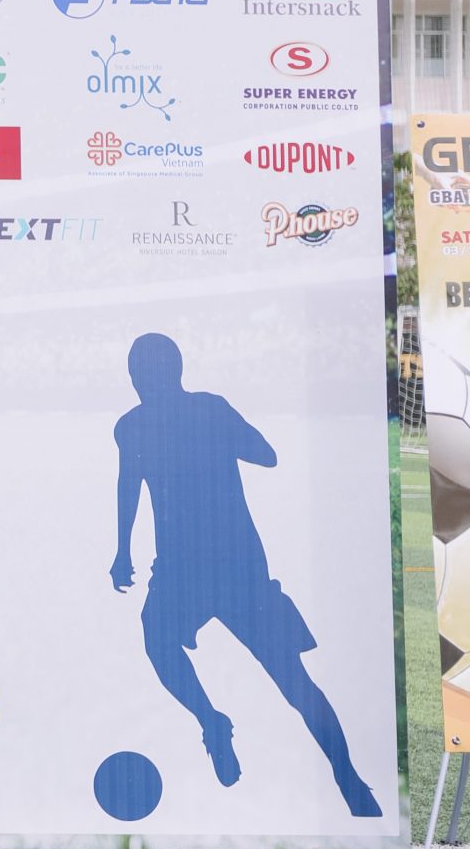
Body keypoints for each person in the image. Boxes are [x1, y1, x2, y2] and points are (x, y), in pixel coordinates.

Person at [111, 331, 377, 814]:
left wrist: (122, 553)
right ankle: (348, 780)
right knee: (293, 681)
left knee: (163, 641)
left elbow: (129, 488)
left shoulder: (137, 426)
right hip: (229, 568)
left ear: (140, 378)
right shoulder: (204, 411)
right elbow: (264, 454)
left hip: (201, 571)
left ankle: (212, 720)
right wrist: (220, 438)